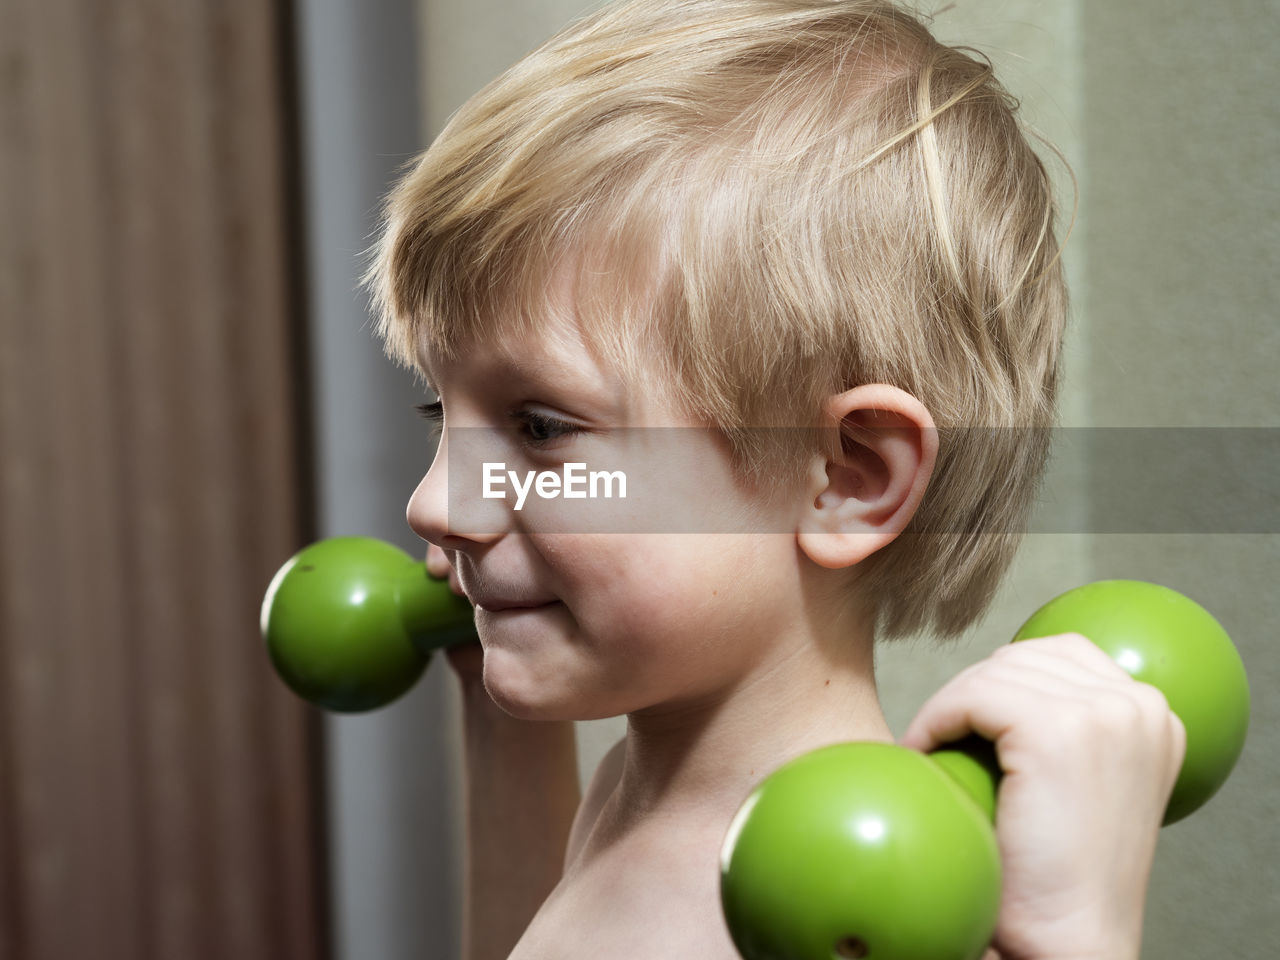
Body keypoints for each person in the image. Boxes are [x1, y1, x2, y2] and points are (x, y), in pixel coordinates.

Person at [363, 1, 1186, 957]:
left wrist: (1079, 941)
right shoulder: (640, 792)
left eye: (541, 428)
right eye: (442, 413)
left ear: (846, 475)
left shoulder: (872, 889)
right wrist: (499, 719)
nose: (433, 505)